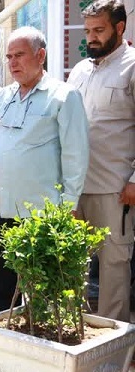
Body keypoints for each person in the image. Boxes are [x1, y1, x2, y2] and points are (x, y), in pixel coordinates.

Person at [0, 26, 89, 312]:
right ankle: (5, 347)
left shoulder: (64, 96)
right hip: (4, 211)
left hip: (44, 215)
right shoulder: (2, 98)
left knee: (44, 293)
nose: (13, 62)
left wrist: (67, 207)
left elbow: (75, 156)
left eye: (20, 55)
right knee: (3, 286)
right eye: (9, 57)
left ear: (40, 55)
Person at [67, 0, 135, 323]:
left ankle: (113, 348)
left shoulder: (132, 66)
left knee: (113, 269)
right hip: (76, 188)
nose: (91, 38)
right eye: (88, 31)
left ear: (119, 28)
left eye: (99, 30)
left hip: (116, 190)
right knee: (71, 266)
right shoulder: (79, 70)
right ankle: (74, 339)